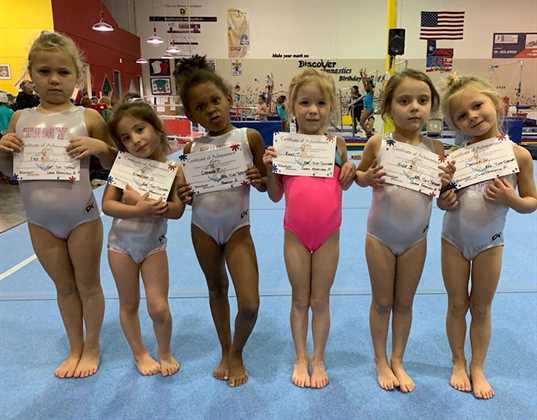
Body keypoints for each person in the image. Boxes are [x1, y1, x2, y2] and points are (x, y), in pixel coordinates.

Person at [0, 31, 117, 378]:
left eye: (63, 72)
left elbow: (119, 165)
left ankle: (91, 347)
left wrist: (100, 148)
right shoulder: (20, 119)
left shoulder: (88, 118)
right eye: (45, 71)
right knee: (64, 288)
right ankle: (75, 347)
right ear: (31, 75)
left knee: (88, 285)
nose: (54, 79)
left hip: (81, 217)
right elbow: (9, 171)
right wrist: (3, 151)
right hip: (40, 220)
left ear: (77, 76)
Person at [356, 69, 455, 393]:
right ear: (388, 108)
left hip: (416, 239)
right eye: (404, 101)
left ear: (432, 106)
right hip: (380, 238)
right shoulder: (378, 143)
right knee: (382, 301)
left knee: (405, 303)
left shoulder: (437, 150)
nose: (414, 107)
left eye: (422, 100)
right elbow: (358, 177)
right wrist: (367, 178)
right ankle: (380, 360)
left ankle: (398, 359)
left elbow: (442, 199)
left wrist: (446, 192)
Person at [438, 74, 537, 399]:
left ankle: (478, 366)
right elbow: (442, 200)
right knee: (456, 305)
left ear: (495, 103)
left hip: (490, 243)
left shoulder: (518, 155)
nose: (472, 116)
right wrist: (444, 200)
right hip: (453, 240)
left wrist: (511, 199)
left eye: (477, 106)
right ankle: (458, 361)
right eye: (461, 115)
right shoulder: (454, 159)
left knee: (481, 308)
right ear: (455, 124)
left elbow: (531, 202)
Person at [174, 55, 267, 387]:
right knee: (216, 290)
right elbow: (186, 197)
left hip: (237, 228)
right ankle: (226, 350)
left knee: (250, 304)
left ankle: (238, 350)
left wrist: (260, 178)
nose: (211, 110)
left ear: (228, 99)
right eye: (201, 107)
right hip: (202, 228)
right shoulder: (191, 149)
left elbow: (268, 186)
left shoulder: (248, 138)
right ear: (191, 116)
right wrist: (184, 193)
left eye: (215, 100)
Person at [263, 69, 356, 388]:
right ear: (291, 106)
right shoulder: (284, 146)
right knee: (300, 299)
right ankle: (300, 357)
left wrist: (349, 172)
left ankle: (318, 358)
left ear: (331, 107)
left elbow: (343, 185)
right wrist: (269, 169)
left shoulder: (337, 145)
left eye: (321, 103)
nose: (313, 110)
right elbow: (275, 196)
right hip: (296, 235)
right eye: (304, 103)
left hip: (328, 235)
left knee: (321, 300)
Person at [102, 100, 185, 377]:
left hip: (153, 247)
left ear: (156, 128)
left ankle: (165, 351)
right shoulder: (123, 166)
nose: (135, 140)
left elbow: (177, 211)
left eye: (140, 129)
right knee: (129, 304)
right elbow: (108, 205)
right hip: (120, 246)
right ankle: (139, 353)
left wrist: (154, 206)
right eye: (126, 137)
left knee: (159, 307)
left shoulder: (173, 170)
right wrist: (138, 209)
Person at [360, 70, 375, 138]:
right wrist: (361, 75)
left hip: (369, 108)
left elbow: (368, 83)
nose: (365, 87)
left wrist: (365, 76)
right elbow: (364, 83)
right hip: (368, 108)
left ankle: (368, 132)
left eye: (367, 86)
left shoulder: (371, 91)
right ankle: (368, 132)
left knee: (361, 122)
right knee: (362, 123)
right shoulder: (367, 92)